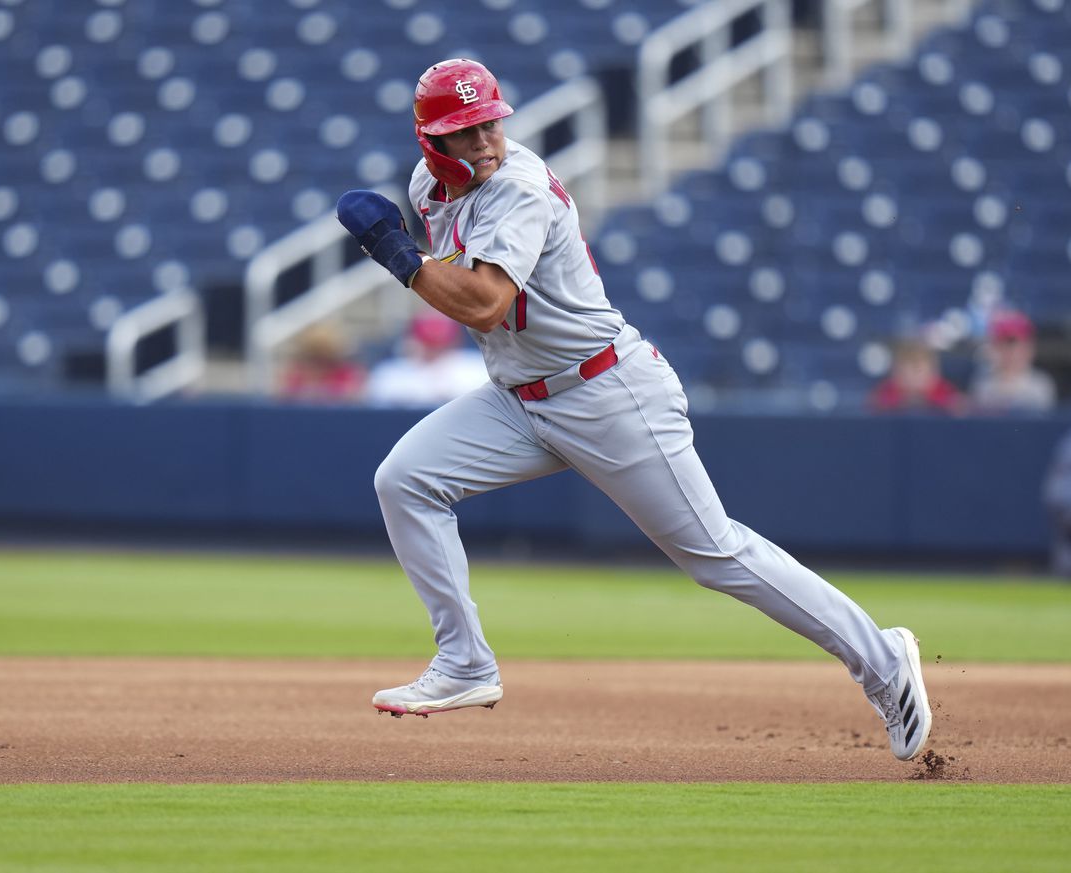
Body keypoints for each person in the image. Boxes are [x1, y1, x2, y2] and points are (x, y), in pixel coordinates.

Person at [335, 58, 932, 761]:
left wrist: (399, 255)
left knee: (716, 554)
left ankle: (883, 661)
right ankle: (465, 662)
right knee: (405, 479)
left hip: (604, 390)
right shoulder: (427, 186)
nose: (487, 141)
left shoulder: (518, 188)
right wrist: (410, 253)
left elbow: (487, 303)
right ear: (433, 141)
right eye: (467, 131)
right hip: (519, 396)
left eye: (492, 122)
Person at [364, 309, 489, 408]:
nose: (434, 349)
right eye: (429, 343)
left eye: (440, 343)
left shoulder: (477, 368)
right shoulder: (391, 373)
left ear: (454, 341)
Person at [969, 309, 1056, 414]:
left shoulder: (1040, 385)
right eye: (1001, 344)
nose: (1008, 352)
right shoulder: (982, 385)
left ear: (1028, 348)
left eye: (1012, 344)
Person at [869, 337, 966, 415]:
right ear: (894, 372)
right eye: (903, 371)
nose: (910, 378)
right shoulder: (883, 396)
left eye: (917, 370)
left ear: (933, 372)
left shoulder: (948, 396)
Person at [278, 321, 367, 404]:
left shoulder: (346, 374)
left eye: (324, 360)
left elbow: (354, 397)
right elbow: (283, 397)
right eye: (313, 359)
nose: (318, 366)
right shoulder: (296, 374)